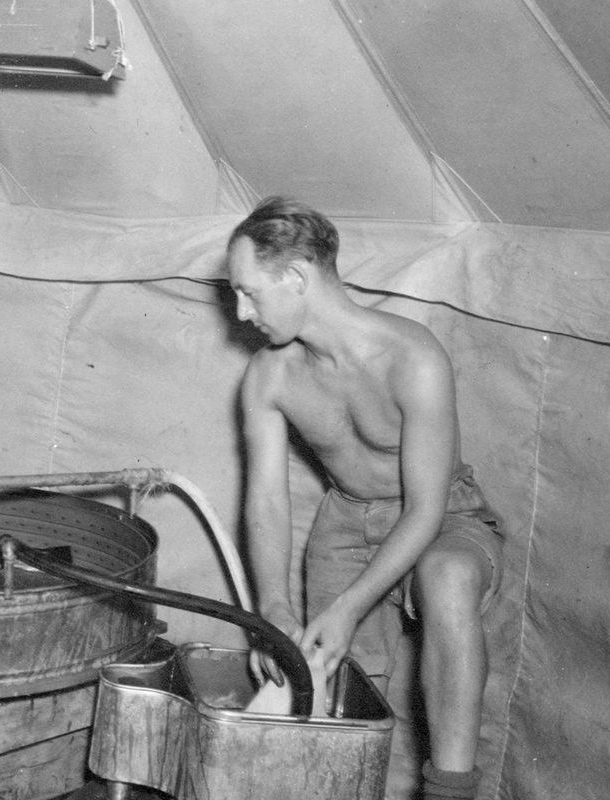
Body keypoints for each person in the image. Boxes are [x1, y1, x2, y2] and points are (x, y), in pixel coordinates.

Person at [229, 196, 503, 800]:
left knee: (449, 578)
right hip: (345, 523)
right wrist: (273, 609)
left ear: (295, 277)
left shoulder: (412, 355)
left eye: (249, 291)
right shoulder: (269, 377)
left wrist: (349, 606)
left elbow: (426, 509)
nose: (242, 312)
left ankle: (450, 791)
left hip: (441, 515)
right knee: (333, 681)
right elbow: (267, 503)